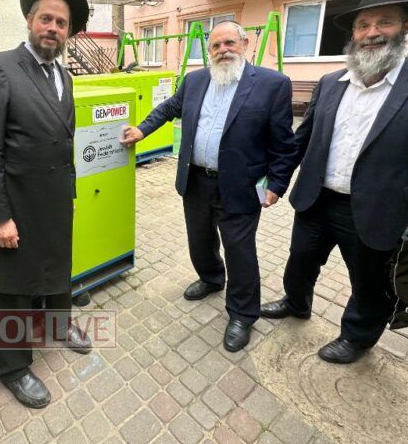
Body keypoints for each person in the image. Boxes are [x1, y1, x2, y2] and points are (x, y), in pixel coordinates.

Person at [261, 0, 408, 364]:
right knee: (300, 259)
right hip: (316, 199)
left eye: (384, 22)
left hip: (382, 209)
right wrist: (276, 182)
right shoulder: (330, 83)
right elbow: (300, 141)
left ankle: (357, 337)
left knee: (369, 281)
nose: (372, 33)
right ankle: (296, 302)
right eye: (363, 25)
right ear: (354, 34)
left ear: (405, 26)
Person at [121, 21, 295, 352]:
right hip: (196, 178)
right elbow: (170, 108)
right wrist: (143, 130)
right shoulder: (196, 80)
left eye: (229, 42)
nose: (222, 50)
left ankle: (243, 314)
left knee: (240, 250)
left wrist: (276, 184)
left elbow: (284, 143)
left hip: (244, 184)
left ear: (244, 44)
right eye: (215, 46)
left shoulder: (273, 84)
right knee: (199, 239)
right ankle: (212, 278)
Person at [0, 0, 91, 408]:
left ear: (68, 33)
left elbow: (66, 139)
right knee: (17, 287)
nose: (53, 27)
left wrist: (70, 191)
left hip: (56, 198)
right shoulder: (0, 67)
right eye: (46, 18)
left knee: (60, 267)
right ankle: (14, 368)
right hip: (17, 203)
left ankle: (58, 325)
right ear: (29, 19)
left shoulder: (65, 75)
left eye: (62, 23)